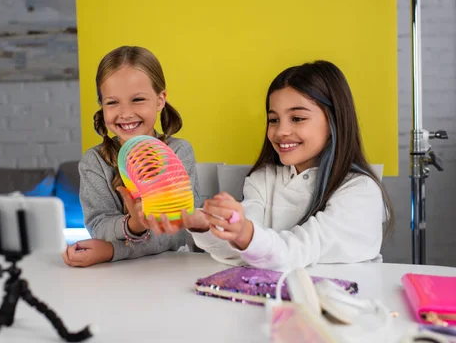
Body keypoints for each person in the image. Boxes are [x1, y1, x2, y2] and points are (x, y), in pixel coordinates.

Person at [148, 60, 394, 271]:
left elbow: (298, 249)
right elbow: (242, 252)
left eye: (297, 118)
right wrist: (201, 223)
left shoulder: (360, 191)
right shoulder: (264, 178)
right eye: (273, 119)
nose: (281, 131)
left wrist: (245, 232)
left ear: (334, 122)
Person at [62, 45, 200, 268]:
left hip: (173, 270)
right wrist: (133, 224)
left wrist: (112, 250)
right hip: (118, 277)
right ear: (102, 106)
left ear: (160, 100)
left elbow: (177, 233)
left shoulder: (178, 152)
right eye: (112, 102)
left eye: (137, 100)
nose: (125, 113)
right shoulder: (94, 162)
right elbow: (99, 226)